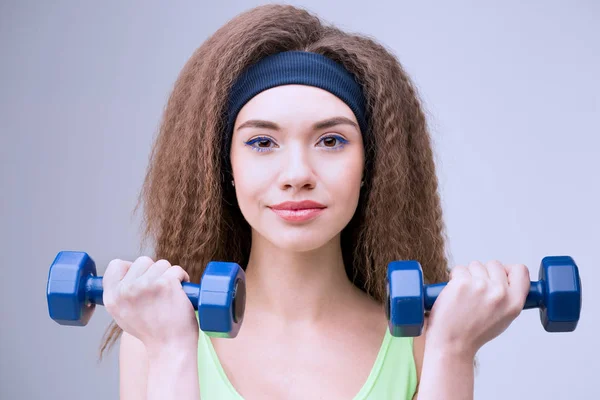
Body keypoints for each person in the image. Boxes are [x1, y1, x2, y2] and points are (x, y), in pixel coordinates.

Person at [98, 4, 531, 400]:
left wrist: (453, 350)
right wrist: (172, 349)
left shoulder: (422, 343)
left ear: (371, 165)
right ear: (222, 164)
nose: (297, 175)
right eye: (262, 142)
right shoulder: (154, 336)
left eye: (331, 140)